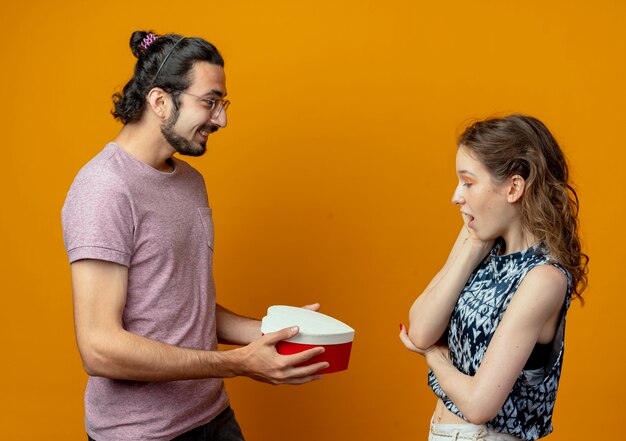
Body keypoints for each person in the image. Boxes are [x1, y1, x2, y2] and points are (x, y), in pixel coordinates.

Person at [62, 30, 328, 441]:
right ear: (159, 101)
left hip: (213, 417)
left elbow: (179, 302)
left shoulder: (189, 181)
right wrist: (238, 363)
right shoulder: (104, 188)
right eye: (210, 102)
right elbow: (100, 348)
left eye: (223, 104)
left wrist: (273, 332)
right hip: (141, 433)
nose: (221, 119)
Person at [399, 114, 588, 441]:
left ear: (514, 187)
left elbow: (478, 404)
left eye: (468, 182)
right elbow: (420, 329)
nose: (456, 196)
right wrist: (473, 247)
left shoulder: (543, 279)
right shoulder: (481, 239)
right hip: (443, 432)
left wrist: (434, 358)